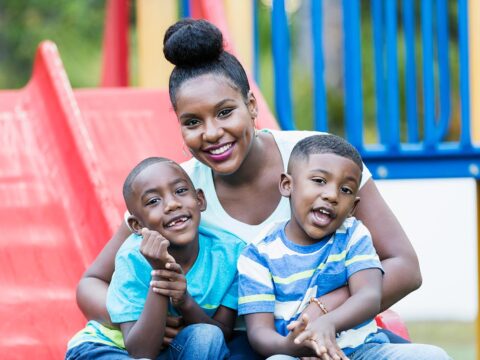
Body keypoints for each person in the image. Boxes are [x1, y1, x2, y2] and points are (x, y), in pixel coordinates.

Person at [76, 19, 422, 356]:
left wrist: (326, 307)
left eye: (225, 112)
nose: (211, 133)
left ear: (252, 106)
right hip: (229, 345)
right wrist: (140, 318)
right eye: (193, 122)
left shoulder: (317, 160)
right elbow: (91, 284)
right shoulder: (176, 192)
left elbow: (404, 266)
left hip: (326, 333)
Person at [238, 134, 451, 360]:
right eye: (319, 181)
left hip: (362, 351)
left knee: (431, 355)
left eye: (346, 190)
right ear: (287, 184)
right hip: (298, 355)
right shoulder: (258, 254)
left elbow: (369, 296)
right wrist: (291, 346)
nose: (331, 195)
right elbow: (259, 333)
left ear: (353, 207)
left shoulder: (353, 235)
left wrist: (328, 322)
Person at [66, 157, 244, 359]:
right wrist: (161, 275)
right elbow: (140, 352)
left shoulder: (231, 255)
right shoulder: (132, 258)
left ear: (200, 200)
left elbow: (221, 333)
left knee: (207, 335)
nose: (172, 205)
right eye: (153, 201)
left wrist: (184, 301)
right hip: (108, 348)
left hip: (175, 349)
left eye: (180, 191)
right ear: (136, 226)